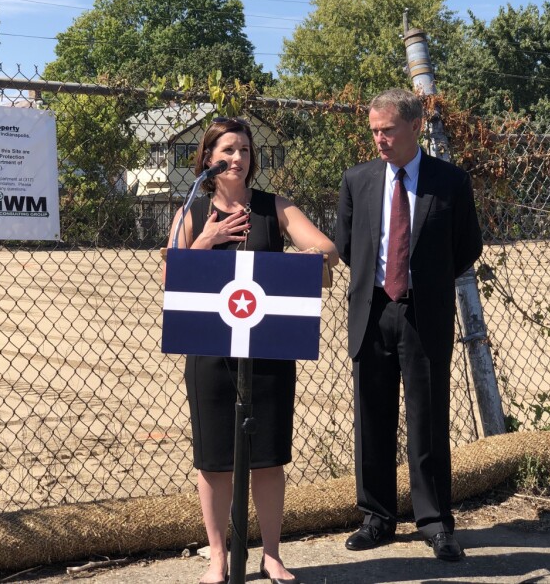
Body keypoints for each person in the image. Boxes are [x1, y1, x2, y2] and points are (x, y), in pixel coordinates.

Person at [163, 116, 338, 584]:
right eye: (227, 150)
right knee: (214, 459)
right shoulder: (191, 213)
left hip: (268, 350)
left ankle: (272, 554)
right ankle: (218, 556)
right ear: (207, 159)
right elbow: (171, 276)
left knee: (267, 458)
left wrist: (311, 257)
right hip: (211, 355)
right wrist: (209, 239)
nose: (236, 158)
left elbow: (326, 248)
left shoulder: (274, 208)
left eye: (243, 149)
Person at [334, 88, 483, 561]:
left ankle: (436, 522)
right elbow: (346, 245)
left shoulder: (450, 182)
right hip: (373, 312)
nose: (379, 139)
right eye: (374, 130)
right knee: (372, 419)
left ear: (415, 126)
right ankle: (376, 517)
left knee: (429, 420)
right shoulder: (356, 180)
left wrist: (428, 280)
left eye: (388, 130)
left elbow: (467, 247)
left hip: (424, 313)